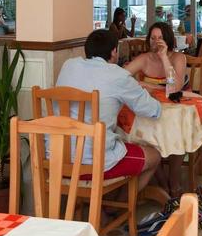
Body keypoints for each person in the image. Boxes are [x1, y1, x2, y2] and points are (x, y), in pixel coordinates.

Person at [55, 29, 161, 194]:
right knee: (154, 155)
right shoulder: (118, 75)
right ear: (113, 51)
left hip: (56, 156)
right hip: (94, 163)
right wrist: (147, 92)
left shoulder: (68, 65)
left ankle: (98, 203)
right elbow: (153, 110)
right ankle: (119, 204)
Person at [124, 22, 187, 197]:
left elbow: (175, 89)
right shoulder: (144, 59)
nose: (156, 42)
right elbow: (121, 77)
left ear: (168, 39)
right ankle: (161, 183)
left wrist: (164, 58)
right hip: (149, 112)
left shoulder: (178, 58)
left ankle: (174, 182)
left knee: (177, 135)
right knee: (146, 139)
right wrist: (142, 84)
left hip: (174, 111)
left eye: (160, 38)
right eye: (152, 38)